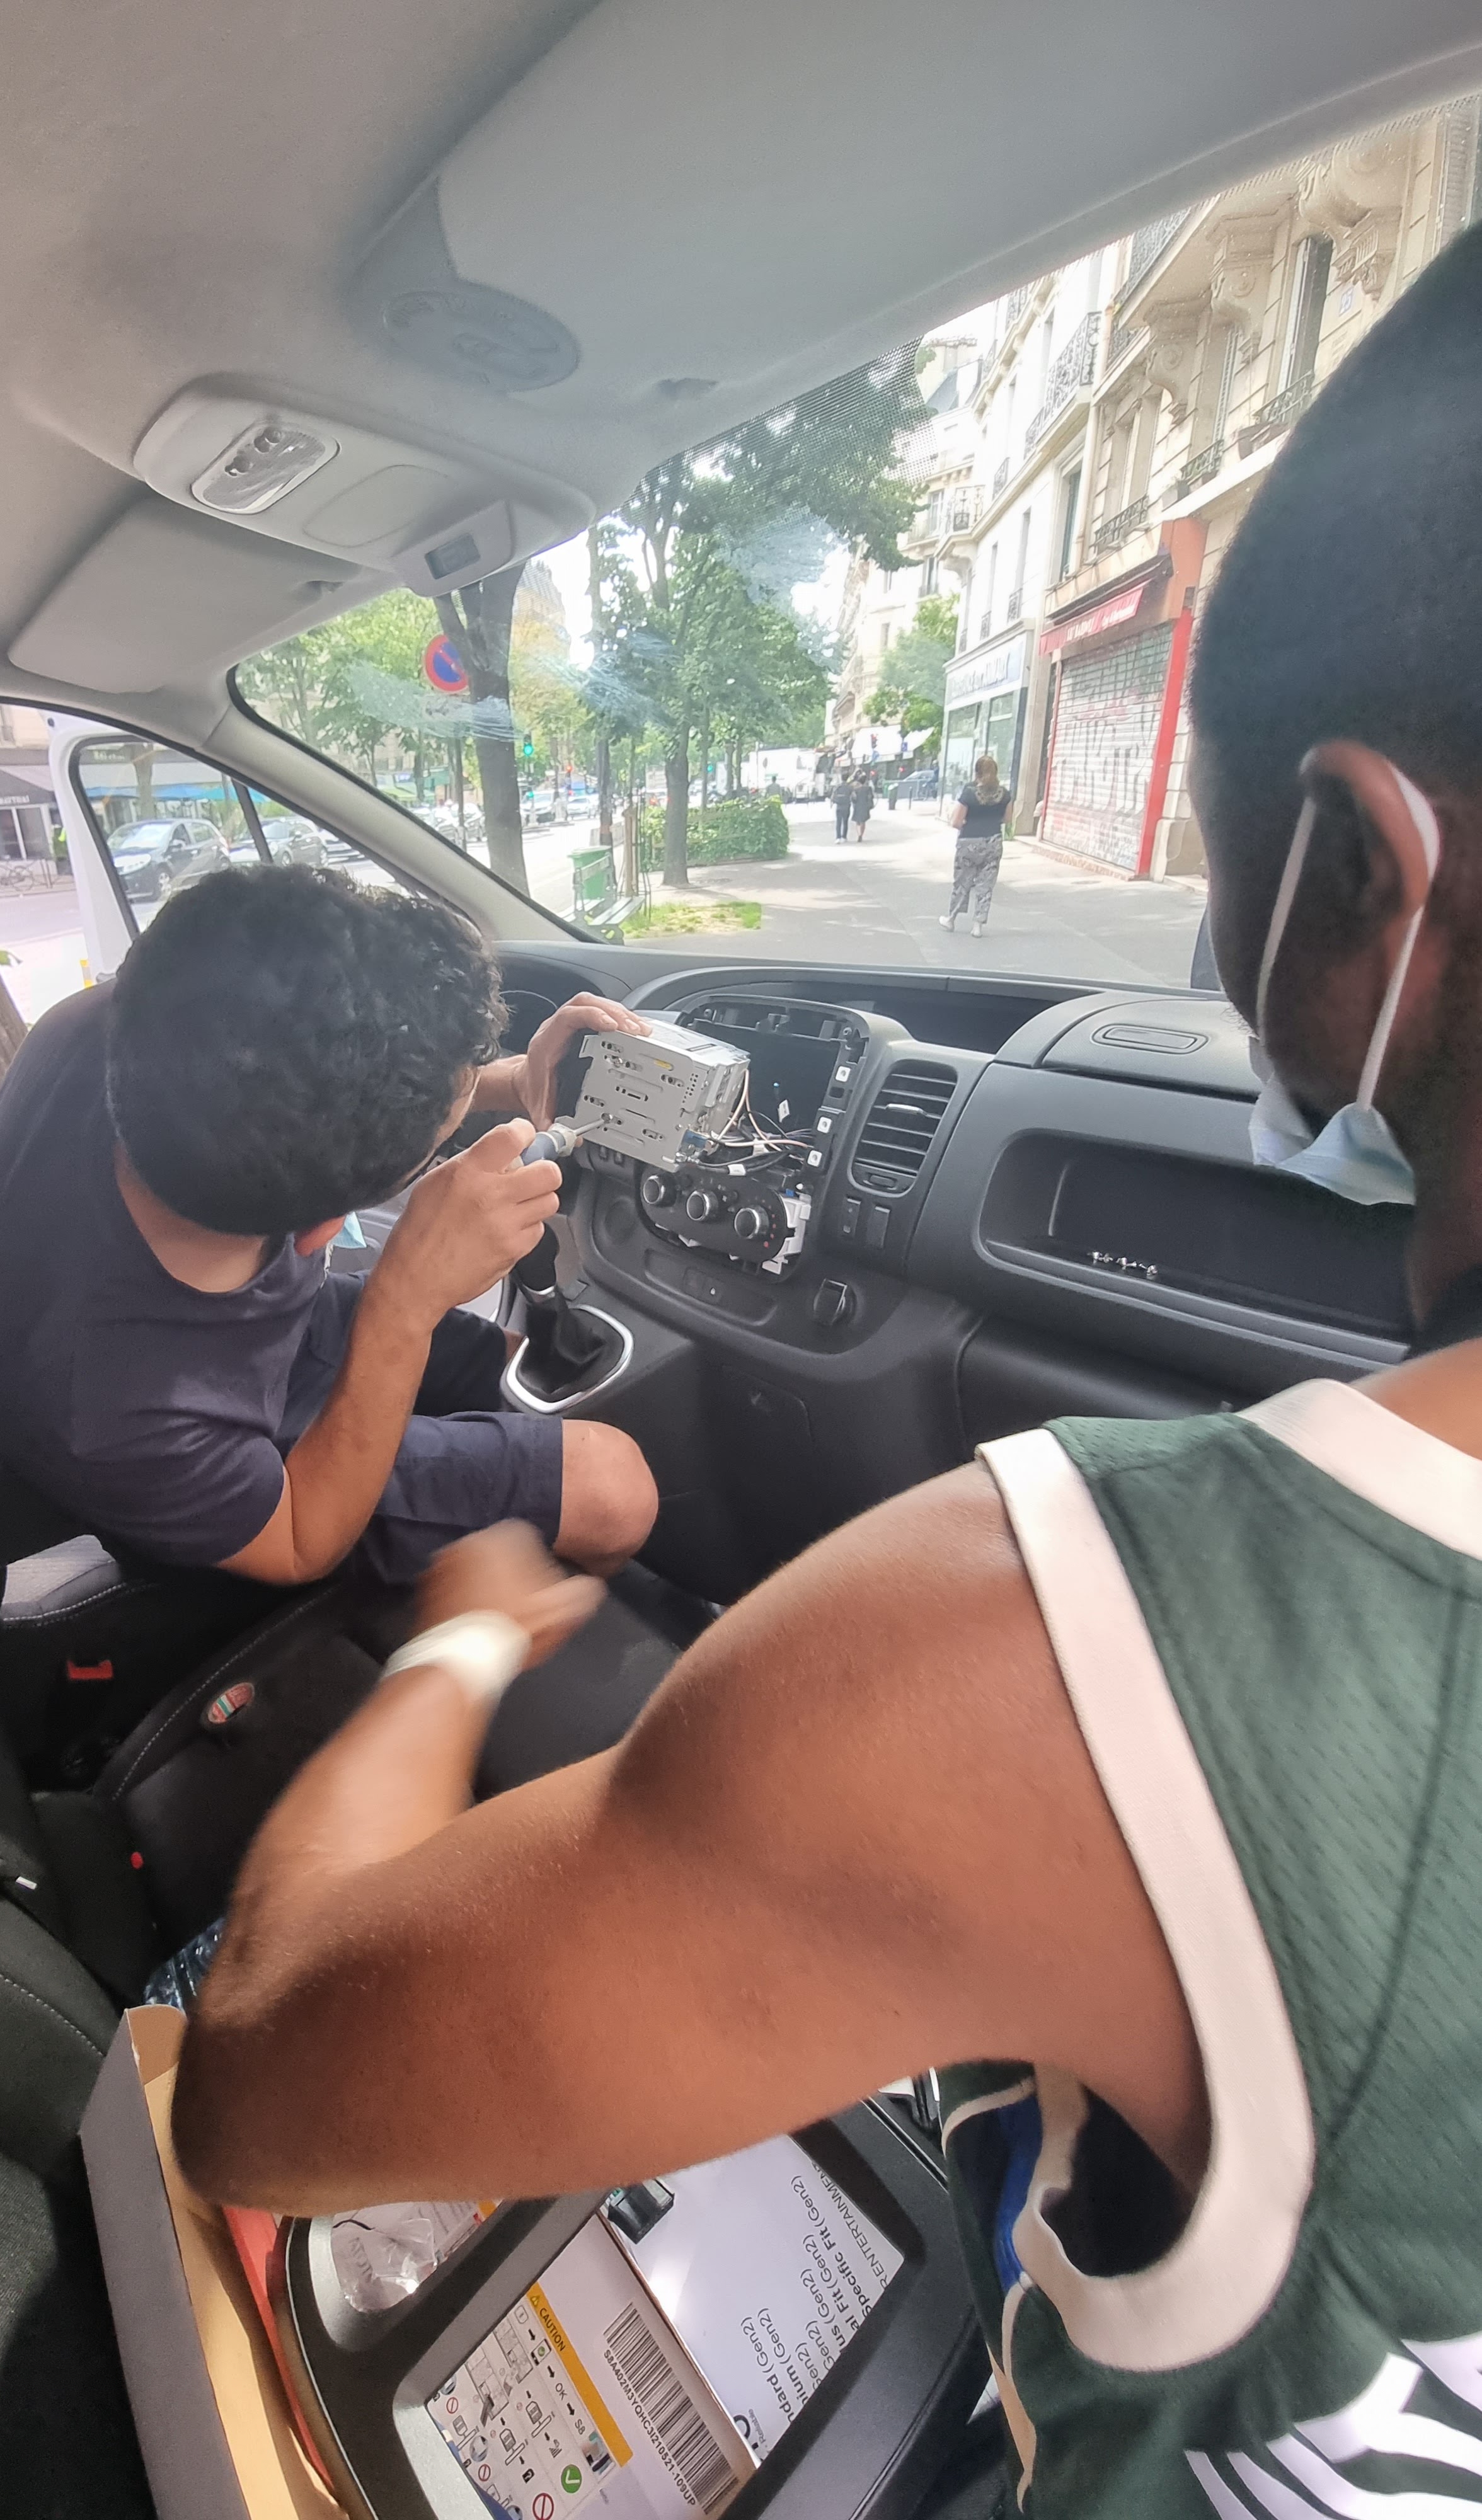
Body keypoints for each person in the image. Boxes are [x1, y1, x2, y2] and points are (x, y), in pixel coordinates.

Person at [173, 222, 1482, 2513]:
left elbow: (255, 2081)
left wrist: (462, 1644)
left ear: (1366, 879)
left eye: (1223, 892)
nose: (1215, 966)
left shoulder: (1065, 1659)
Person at [0, 864, 658, 1586]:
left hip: (238, 1323)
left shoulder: (114, 1024)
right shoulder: (113, 1410)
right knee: (614, 1488)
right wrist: (405, 1301)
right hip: (214, 1457)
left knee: (524, 1367)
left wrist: (512, 1081)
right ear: (321, 1232)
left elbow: (316, 1064)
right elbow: (300, 1540)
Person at [939, 753, 1011, 934]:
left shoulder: (969, 794)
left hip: (969, 842)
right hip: (993, 842)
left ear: (977, 773)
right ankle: (978, 925)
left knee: (962, 883)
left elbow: (956, 822)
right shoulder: (1005, 794)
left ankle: (951, 919)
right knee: (986, 885)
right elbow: (1008, 819)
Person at [850, 765, 876, 842]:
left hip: (858, 806)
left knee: (858, 822)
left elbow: (853, 799)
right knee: (863, 821)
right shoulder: (868, 789)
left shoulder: (856, 790)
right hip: (865, 806)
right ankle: (861, 834)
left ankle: (858, 834)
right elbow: (871, 797)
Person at [832, 766, 856, 841]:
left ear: (841, 778)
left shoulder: (838, 787)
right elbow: (854, 796)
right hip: (847, 806)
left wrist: (832, 803)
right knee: (845, 822)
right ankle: (844, 837)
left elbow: (833, 796)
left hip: (839, 806)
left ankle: (838, 838)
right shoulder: (850, 787)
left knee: (838, 822)